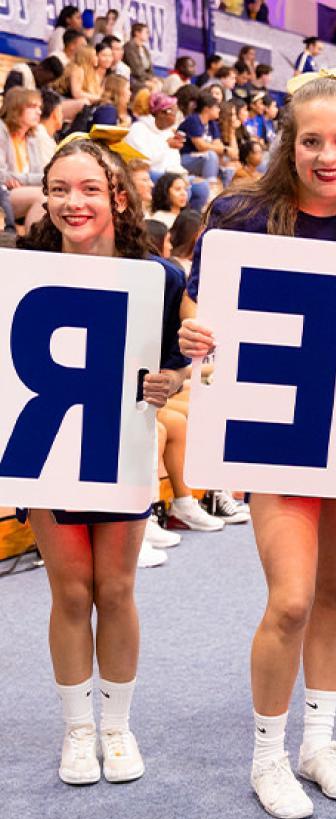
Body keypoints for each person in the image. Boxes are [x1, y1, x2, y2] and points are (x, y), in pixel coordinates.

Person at [178, 72, 336, 819]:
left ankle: (319, 741)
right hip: (274, 432)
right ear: (289, 145)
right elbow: (201, 307)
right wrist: (194, 334)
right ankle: (268, 754)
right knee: (291, 599)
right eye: (313, 142)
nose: (328, 156)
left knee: (334, 595)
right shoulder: (240, 212)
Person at [17, 138, 188, 786]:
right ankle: (77, 729)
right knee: (70, 591)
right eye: (59, 189)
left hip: (119, 447)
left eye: (88, 188)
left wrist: (173, 378)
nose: (72, 202)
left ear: (117, 194)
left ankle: (116, 728)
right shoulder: (20, 270)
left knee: (116, 590)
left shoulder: (157, 275)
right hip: (46, 448)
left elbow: (180, 360)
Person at [0, 88, 46, 222]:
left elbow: (39, 173)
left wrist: (23, 182)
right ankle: (32, 242)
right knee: (42, 197)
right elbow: (2, 176)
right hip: (3, 192)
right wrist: (31, 181)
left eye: (39, 107)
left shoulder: (32, 137)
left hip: (18, 191)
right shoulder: (1, 130)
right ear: (15, 108)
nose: (39, 112)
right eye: (32, 107)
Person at [178, 90, 225, 188]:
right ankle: (210, 189)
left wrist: (213, 148)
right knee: (211, 156)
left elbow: (219, 146)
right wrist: (217, 148)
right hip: (185, 158)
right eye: (216, 107)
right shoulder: (193, 120)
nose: (219, 110)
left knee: (228, 170)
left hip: (200, 157)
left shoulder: (212, 123)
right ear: (207, 109)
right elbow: (201, 146)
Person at [123, 23, 153, 89]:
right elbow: (137, 70)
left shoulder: (144, 48)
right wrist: (147, 80)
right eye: (146, 32)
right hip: (133, 79)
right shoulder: (129, 47)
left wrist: (151, 78)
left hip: (144, 78)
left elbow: (150, 68)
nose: (148, 35)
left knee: (160, 83)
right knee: (152, 86)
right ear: (137, 33)